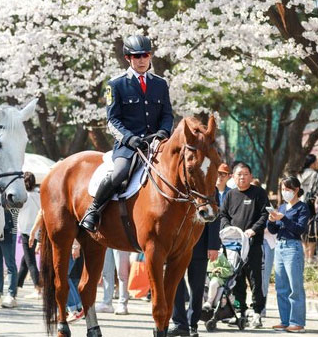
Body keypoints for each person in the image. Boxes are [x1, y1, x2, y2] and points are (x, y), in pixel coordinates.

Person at [80, 34, 173, 232]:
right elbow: (112, 121)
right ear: (128, 58)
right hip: (129, 146)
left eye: (145, 55)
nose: (141, 60)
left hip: (157, 143)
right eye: (137, 56)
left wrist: (164, 132)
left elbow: (167, 114)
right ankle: (94, 209)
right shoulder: (115, 84)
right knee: (120, 172)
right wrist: (130, 139)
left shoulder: (160, 84)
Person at [168, 165, 223, 337]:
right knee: (175, 284)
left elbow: (215, 218)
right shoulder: (178, 187)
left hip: (199, 245)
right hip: (177, 246)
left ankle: (193, 325)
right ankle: (179, 323)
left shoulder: (210, 187)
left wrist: (213, 246)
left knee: (197, 287)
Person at [219, 162, 269, 328]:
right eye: (239, 174)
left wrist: (253, 230)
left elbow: (264, 215)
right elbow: (223, 215)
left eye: (246, 174)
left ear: (251, 176)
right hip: (234, 245)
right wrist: (227, 228)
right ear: (233, 177)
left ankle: (257, 314)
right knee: (237, 279)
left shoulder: (259, 193)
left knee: (255, 279)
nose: (242, 177)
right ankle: (240, 312)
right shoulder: (230, 195)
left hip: (253, 245)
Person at [268, 176, 310, 333]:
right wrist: (272, 220)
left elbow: (299, 229)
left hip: (293, 247)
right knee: (281, 287)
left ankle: (297, 322)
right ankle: (285, 320)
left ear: (296, 190)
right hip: (279, 246)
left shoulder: (302, 207)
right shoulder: (282, 207)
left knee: (295, 286)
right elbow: (273, 230)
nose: (285, 192)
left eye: (288, 189)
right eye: (283, 189)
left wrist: (283, 218)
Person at [16, 172, 41, 299]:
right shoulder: (39, 195)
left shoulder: (24, 197)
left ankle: (38, 287)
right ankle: (17, 284)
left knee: (30, 261)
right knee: (25, 260)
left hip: (26, 231)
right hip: (37, 231)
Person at [299, 154, 318, 263]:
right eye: (316, 162)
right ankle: (310, 257)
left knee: (303, 230)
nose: (317, 164)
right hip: (310, 205)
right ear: (312, 163)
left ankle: (305, 256)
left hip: (299, 204)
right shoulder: (314, 174)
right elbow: (314, 190)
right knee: (312, 230)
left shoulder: (300, 174)